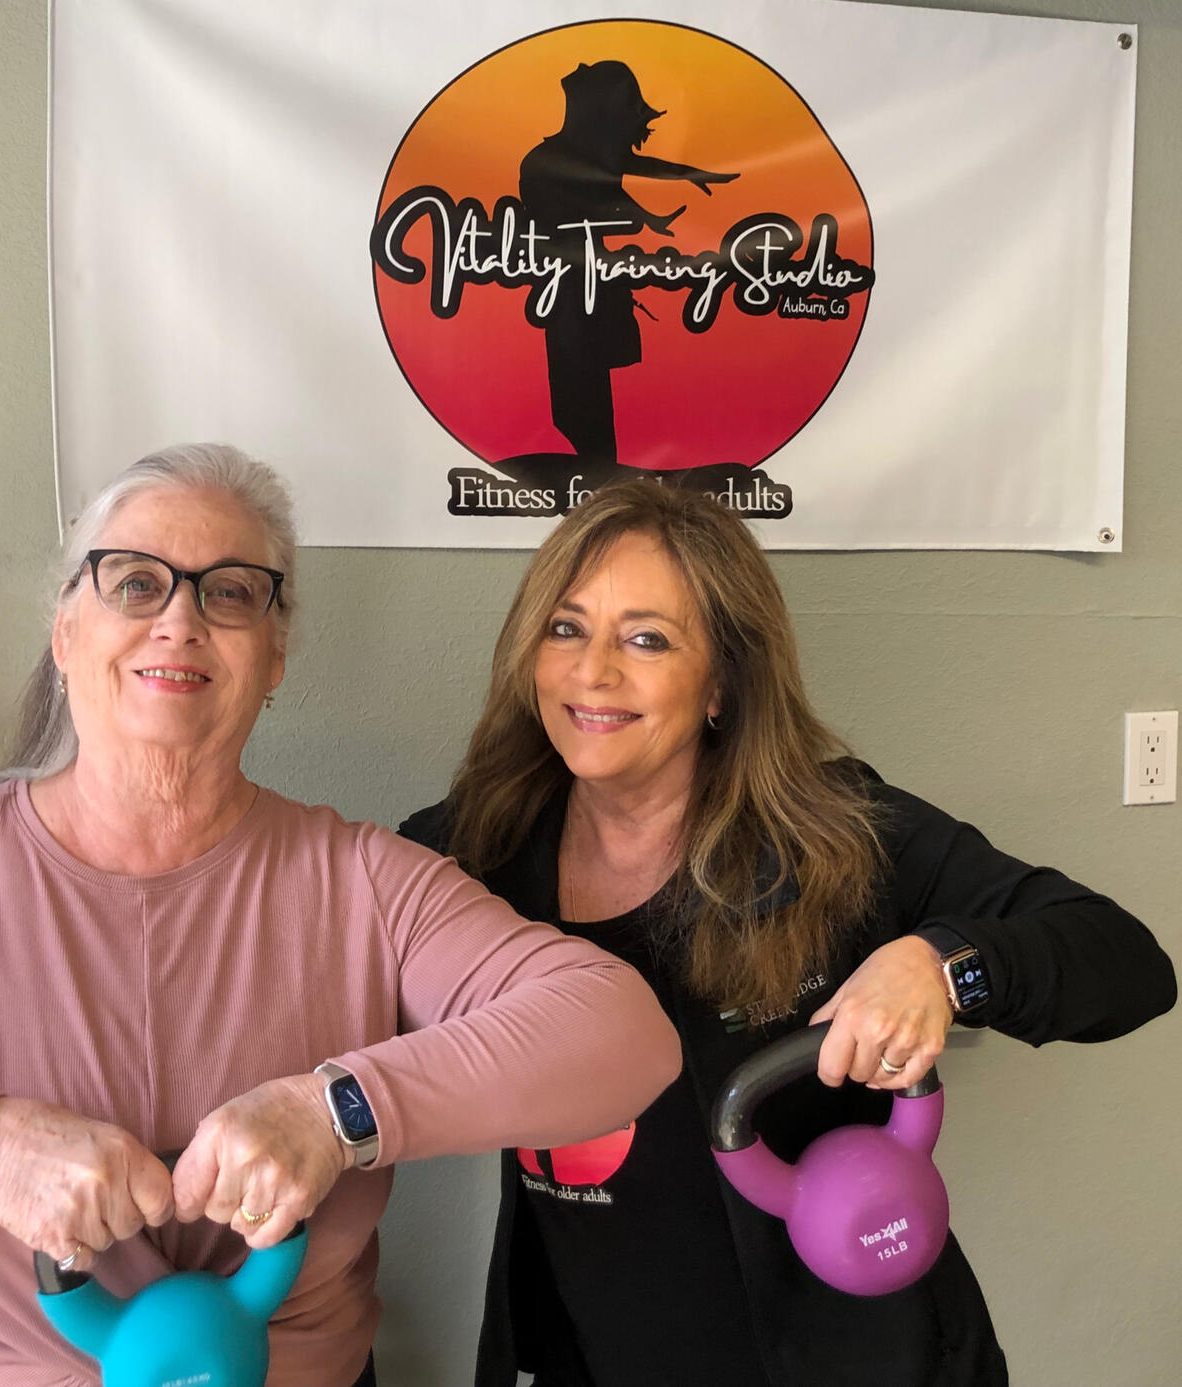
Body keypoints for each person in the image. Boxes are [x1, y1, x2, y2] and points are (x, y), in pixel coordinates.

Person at [0, 445, 682, 1387]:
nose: (180, 616)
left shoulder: (366, 878)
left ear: (273, 657)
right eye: (134, 582)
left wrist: (336, 1112)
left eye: (229, 592)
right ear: (65, 631)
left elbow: (619, 1035)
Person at [399, 478, 1176, 1387]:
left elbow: (1126, 959)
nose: (593, 670)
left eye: (647, 638)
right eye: (566, 627)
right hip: (589, 1351)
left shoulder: (835, 833)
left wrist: (941, 965)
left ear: (723, 682)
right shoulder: (474, 850)